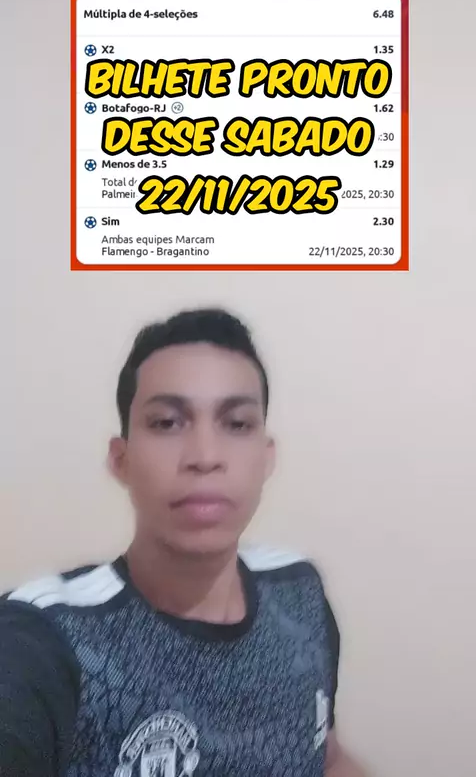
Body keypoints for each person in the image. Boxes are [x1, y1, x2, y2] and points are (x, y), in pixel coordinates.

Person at [0, 308, 365, 776]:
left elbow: (324, 755)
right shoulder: (44, 638)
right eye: (167, 423)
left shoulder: (298, 590)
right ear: (121, 459)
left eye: (237, 424)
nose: (205, 457)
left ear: (266, 457)